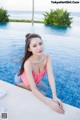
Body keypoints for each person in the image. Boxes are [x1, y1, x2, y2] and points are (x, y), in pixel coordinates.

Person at [14, 33, 65, 114]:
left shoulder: (47, 57)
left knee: (46, 88)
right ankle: (18, 85)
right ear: (29, 49)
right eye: (34, 46)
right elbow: (33, 89)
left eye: (40, 44)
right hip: (21, 80)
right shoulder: (28, 63)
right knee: (43, 94)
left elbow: (51, 77)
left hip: (33, 78)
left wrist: (54, 96)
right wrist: (49, 103)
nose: (39, 47)